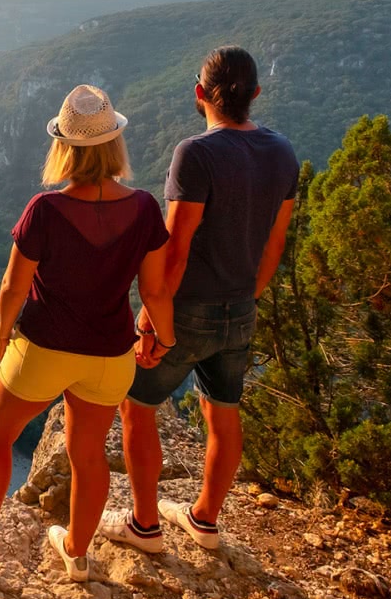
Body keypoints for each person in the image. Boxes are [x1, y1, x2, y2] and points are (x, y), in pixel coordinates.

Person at [0, 84, 174, 582]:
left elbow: (11, 285)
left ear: (63, 147)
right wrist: (163, 339)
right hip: (111, 356)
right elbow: (154, 293)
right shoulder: (146, 208)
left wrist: (3, 335)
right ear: (114, 145)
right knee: (88, 455)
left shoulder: (45, 210)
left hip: (43, 350)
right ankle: (77, 554)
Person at [100, 46, 299, 554]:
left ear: (198, 94)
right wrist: (248, 296)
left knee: (138, 404)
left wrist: (153, 312)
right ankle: (205, 519)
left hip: (188, 308)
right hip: (241, 308)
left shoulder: (197, 153)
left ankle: (145, 525)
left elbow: (177, 242)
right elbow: (276, 242)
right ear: (255, 94)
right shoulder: (283, 153)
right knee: (223, 410)